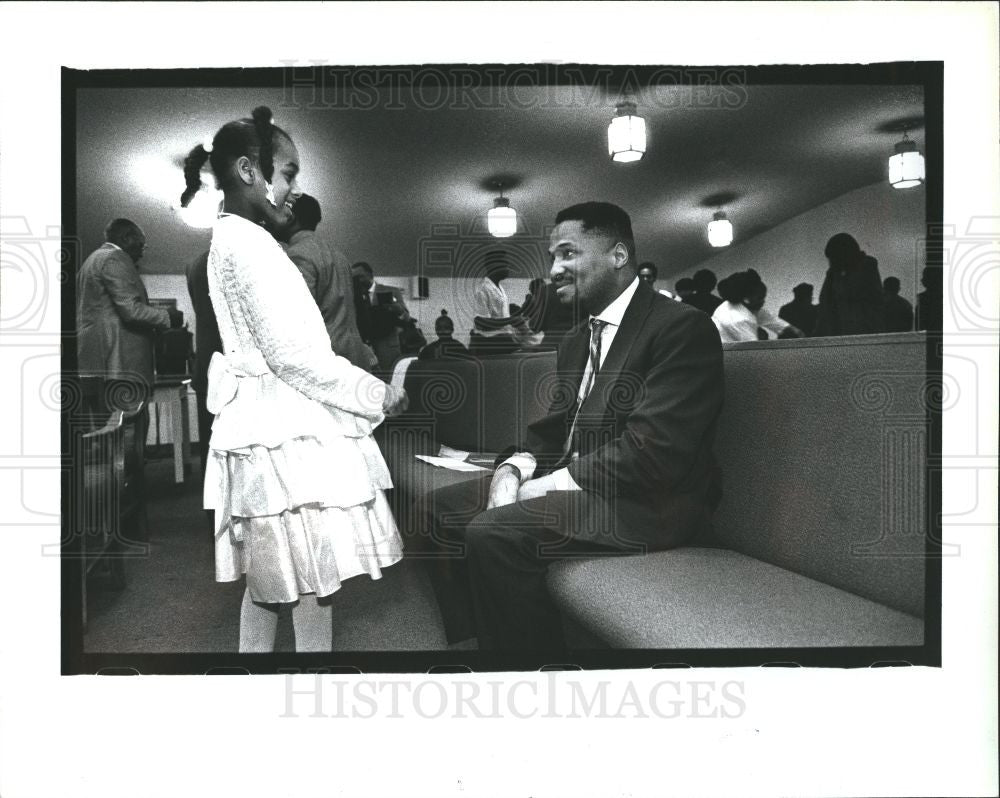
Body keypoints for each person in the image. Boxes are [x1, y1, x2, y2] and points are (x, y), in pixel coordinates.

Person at [425, 202, 725, 651]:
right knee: (439, 510)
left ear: (618, 256)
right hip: (581, 482)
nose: (554, 270)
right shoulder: (575, 339)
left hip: (648, 503)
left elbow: (653, 452)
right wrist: (511, 472)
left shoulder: (682, 328)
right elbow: (549, 432)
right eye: (552, 258)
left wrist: (543, 489)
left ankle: (537, 675)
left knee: (495, 532)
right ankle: (478, 641)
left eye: (567, 254)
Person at [179, 105, 408, 653]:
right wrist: (377, 394)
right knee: (306, 581)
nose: (293, 187)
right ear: (248, 170)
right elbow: (294, 356)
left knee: (280, 580)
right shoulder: (252, 245)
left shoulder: (230, 239)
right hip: (282, 427)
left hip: (262, 420)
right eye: (288, 172)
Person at [76, 218, 182, 395]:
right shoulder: (114, 258)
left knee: (107, 422)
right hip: (120, 366)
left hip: (96, 364)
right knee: (131, 421)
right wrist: (168, 316)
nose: (142, 252)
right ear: (126, 238)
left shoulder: (91, 261)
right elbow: (131, 310)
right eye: (141, 245)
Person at [276, 193, 377, 371]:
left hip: (327, 362)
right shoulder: (338, 255)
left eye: (280, 212)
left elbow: (296, 320)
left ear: (291, 217)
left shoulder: (297, 254)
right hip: (353, 357)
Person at [185, 249, 223, 474]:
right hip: (233, 365)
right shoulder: (242, 258)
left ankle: (211, 508)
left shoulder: (195, 263)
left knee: (210, 446)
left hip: (207, 364)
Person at [813, 233, 885, 336]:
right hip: (842, 332)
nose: (831, 262)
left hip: (862, 333)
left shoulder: (867, 266)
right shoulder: (834, 273)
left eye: (833, 257)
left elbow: (851, 293)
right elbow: (825, 303)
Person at [469, 250, 539, 355]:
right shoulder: (483, 289)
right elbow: (480, 322)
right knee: (523, 345)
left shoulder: (500, 288)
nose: (507, 267)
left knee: (528, 343)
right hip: (486, 342)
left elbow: (501, 316)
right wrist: (511, 320)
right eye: (504, 264)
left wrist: (519, 314)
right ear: (492, 266)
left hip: (500, 339)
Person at [712, 269, 805, 343]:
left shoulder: (746, 306)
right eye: (760, 298)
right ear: (746, 299)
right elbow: (753, 353)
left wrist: (793, 329)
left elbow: (770, 319)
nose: (763, 301)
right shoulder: (739, 318)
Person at [351, 261, 411, 374]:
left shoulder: (392, 291)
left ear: (370, 275)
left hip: (388, 347)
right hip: (365, 348)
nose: (358, 281)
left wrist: (399, 310)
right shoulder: (354, 297)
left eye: (360, 277)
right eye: (354, 278)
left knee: (389, 378)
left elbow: (407, 318)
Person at [914, 266, 942, 332]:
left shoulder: (924, 299)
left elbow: (920, 325)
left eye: (925, 277)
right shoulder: (923, 298)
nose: (922, 280)